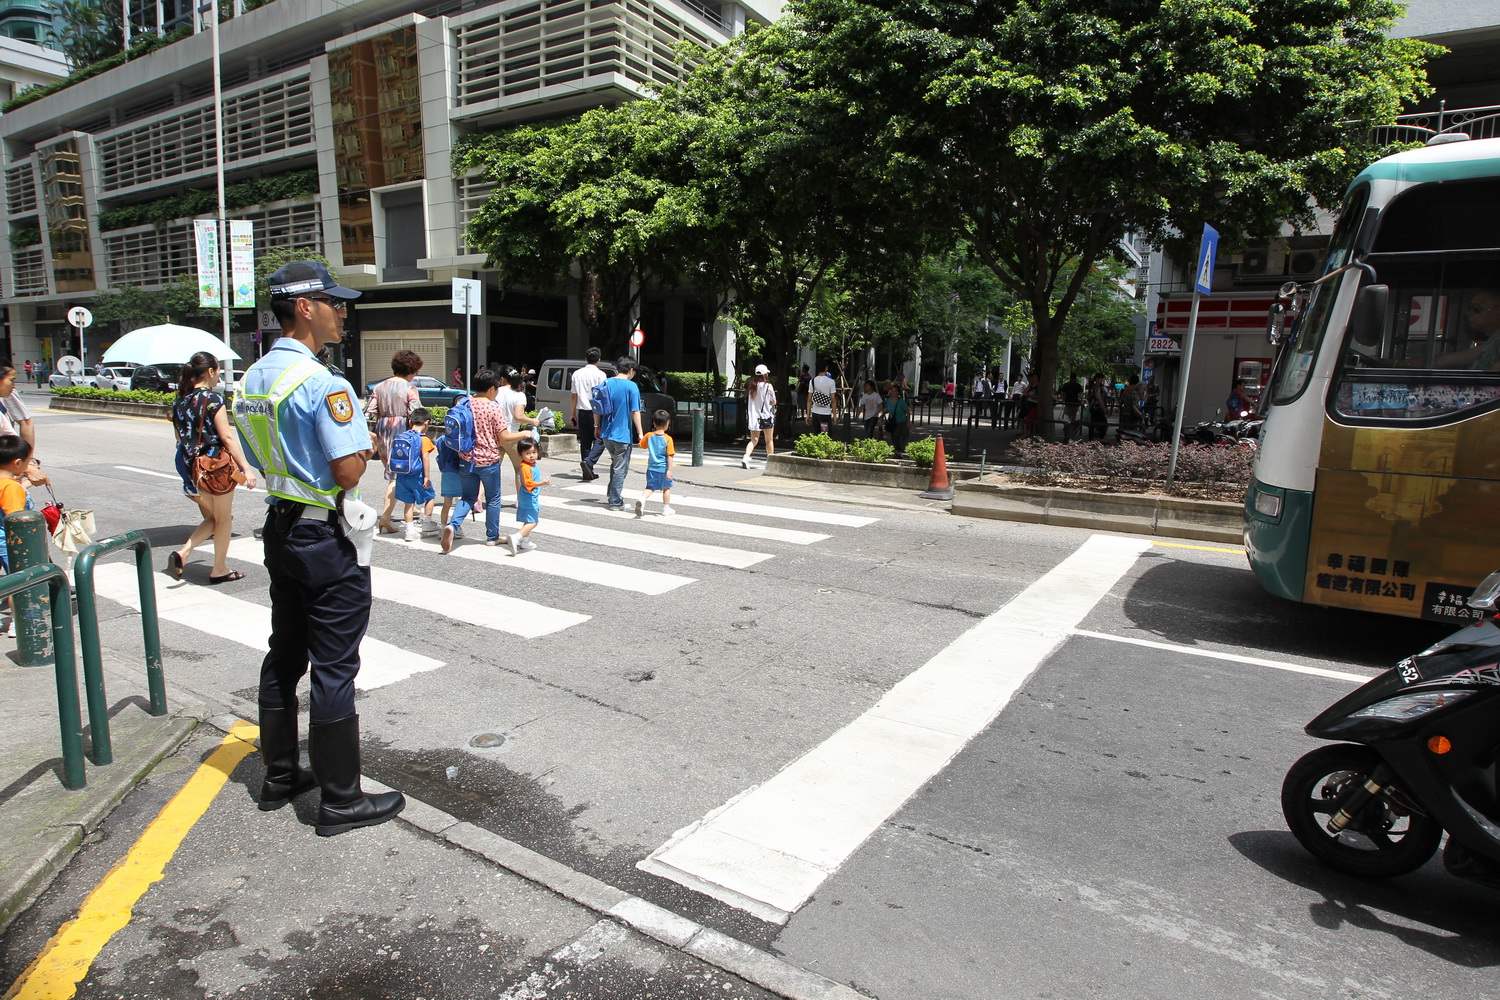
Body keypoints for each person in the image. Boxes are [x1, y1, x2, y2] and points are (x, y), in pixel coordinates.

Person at [232, 259, 404, 837]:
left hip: (281, 526)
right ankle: (341, 800)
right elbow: (348, 472)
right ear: (305, 308)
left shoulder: (252, 378)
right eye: (334, 303)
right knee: (334, 666)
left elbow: (265, 454)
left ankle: (280, 775)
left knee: (285, 653)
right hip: (323, 534)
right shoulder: (324, 383)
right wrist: (366, 448)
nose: (342, 313)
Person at [165, 352, 257, 584]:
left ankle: (183, 553)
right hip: (216, 467)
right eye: (218, 372)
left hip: (192, 468)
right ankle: (219, 568)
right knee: (223, 519)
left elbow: (179, 437)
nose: (219, 377)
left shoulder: (180, 399)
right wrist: (246, 468)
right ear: (209, 371)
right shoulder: (213, 399)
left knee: (217, 517)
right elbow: (227, 437)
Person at [440, 368, 528, 554]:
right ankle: (492, 537)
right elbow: (504, 437)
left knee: (468, 497)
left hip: (466, 458)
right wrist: (524, 433)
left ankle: (453, 525)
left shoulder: (465, 403)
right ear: (491, 388)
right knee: (493, 499)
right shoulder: (493, 407)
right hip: (488, 460)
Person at [364, 349, 421, 534]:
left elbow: (370, 411)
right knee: (397, 475)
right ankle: (385, 517)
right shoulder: (409, 388)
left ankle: (411, 507)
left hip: (383, 430)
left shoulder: (379, 387)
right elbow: (416, 413)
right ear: (411, 370)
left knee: (394, 472)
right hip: (401, 431)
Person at [597, 357, 644, 511]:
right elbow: (635, 411)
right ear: (631, 370)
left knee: (615, 464)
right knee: (620, 468)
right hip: (622, 435)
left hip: (606, 433)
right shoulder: (632, 386)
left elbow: (596, 407)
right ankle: (616, 501)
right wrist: (640, 433)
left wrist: (597, 426)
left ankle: (611, 495)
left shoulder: (606, 383)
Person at [392, 408, 438, 542]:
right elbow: (425, 457)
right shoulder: (423, 439)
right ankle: (427, 523)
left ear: (410, 422)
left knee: (409, 503)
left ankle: (409, 531)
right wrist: (427, 477)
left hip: (402, 474)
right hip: (417, 475)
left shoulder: (402, 435)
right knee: (430, 496)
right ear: (426, 422)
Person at [570, 347, 607, 482]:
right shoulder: (601, 375)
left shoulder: (577, 374)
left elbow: (574, 395)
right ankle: (589, 462)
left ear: (586, 359)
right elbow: (603, 396)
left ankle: (587, 471)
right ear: (599, 360)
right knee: (601, 438)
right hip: (596, 411)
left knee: (585, 441)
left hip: (582, 411)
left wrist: (572, 413)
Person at [496, 366, 537, 488]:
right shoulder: (519, 395)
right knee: (519, 469)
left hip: (496, 434)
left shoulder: (495, 392)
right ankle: (521, 497)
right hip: (512, 435)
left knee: (491, 470)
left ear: (502, 379)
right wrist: (532, 421)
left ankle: (480, 496)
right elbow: (519, 416)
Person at [636, 409, 675, 517]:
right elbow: (670, 455)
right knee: (666, 488)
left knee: (650, 487)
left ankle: (642, 498)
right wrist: (669, 470)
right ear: (667, 423)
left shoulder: (649, 436)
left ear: (654, 423)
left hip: (651, 468)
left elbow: (641, 445)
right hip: (663, 469)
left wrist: (641, 438)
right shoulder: (668, 439)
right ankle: (666, 509)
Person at [512, 437, 548, 552]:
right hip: (529, 497)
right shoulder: (526, 467)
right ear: (521, 454)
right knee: (533, 522)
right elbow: (528, 484)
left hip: (527, 497)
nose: (532, 455)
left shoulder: (530, 465)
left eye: (534, 452)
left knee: (528, 520)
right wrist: (542, 483)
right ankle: (516, 537)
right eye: (527, 453)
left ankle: (525, 542)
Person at [741, 364, 777, 468]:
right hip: (766, 416)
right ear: (765, 374)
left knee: (754, 440)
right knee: (769, 440)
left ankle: (746, 457)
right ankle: (771, 462)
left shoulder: (752, 386)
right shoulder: (768, 386)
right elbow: (774, 401)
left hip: (754, 417)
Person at [809, 362, 838, 434]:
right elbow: (833, 400)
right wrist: (834, 416)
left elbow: (809, 399)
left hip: (815, 412)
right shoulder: (831, 382)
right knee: (826, 435)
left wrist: (808, 415)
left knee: (816, 435)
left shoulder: (812, 381)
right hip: (825, 412)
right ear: (826, 368)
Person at [885, 385, 911, 454]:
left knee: (897, 434)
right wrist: (882, 414)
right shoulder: (889, 400)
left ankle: (899, 449)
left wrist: (908, 422)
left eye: (894, 391)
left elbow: (907, 412)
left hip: (901, 421)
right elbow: (888, 409)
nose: (892, 392)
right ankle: (897, 448)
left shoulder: (901, 402)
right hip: (892, 421)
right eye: (892, 391)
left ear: (898, 392)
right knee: (893, 435)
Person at [1087, 373, 1109, 441]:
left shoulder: (1098, 386)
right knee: (1102, 422)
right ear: (1097, 379)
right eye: (1101, 378)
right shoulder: (1096, 386)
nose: (1102, 380)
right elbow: (1098, 397)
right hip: (1096, 407)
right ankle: (1100, 438)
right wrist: (1103, 407)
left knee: (1095, 422)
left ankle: (1093, 438)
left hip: (1097, 407)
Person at [1061, 374, 1084, 441]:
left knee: (1066, 418)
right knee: (1073, 419)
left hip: (1067, 403)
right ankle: (1071, 434)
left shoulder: (1066, 384)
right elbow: (1080, 394)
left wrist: (1064, 398)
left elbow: (1063, 393)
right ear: (1075, 378)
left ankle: (1067, 432)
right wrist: (1081, 401)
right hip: (1075, 403)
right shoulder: (1077, 385)